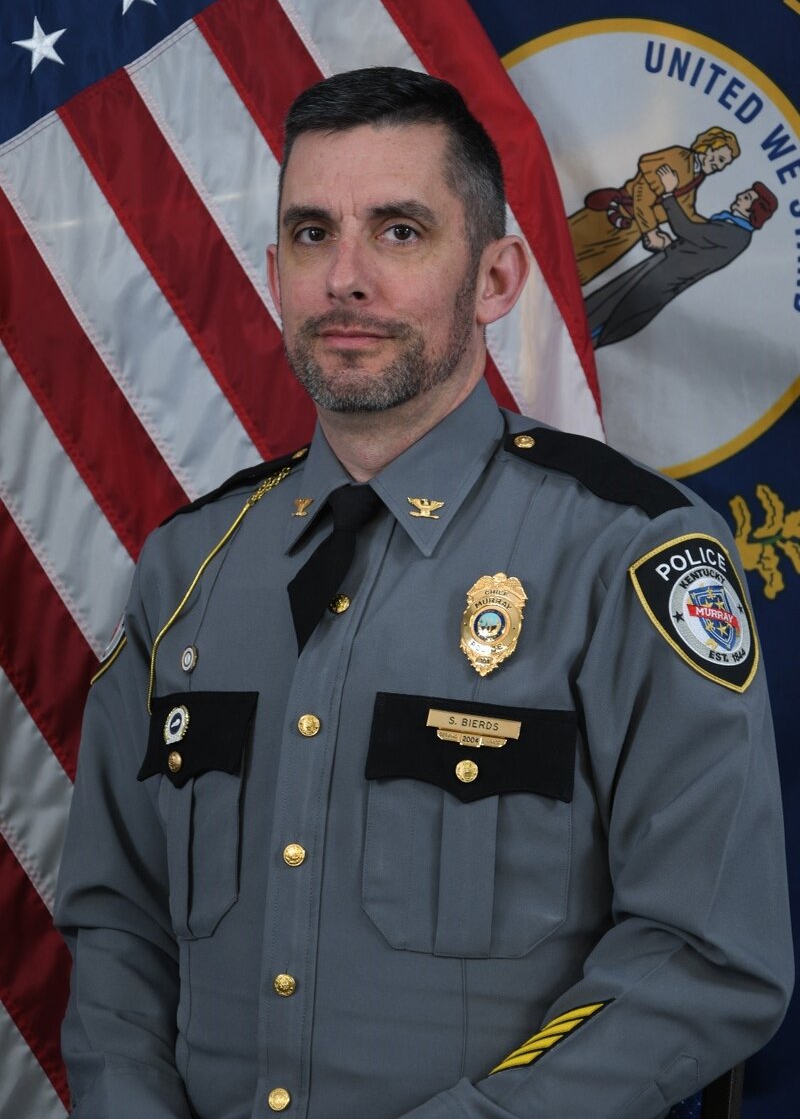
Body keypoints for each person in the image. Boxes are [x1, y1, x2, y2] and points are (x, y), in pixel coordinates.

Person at [55, 67, 792, 1119]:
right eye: (312, 235)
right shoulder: (187, 565)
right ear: (273, 273)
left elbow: (707, 956)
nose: (344, 277)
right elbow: (117, 921)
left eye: (398, 232)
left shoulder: (628, 556)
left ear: (493, 279)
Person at [589, 165, 778, 347]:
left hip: (658, 283)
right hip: (659, 269)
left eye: (746, 197)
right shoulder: (731, 226)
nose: (739, 196)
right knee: (606, 302)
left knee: (611, 316)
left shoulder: (734, 234)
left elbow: (687, 230)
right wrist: (667, 245)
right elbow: (698, 252)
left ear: (753, 209)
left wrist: (669, 193)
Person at [568, 126, 740, 286]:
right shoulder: (677, 157)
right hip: (613, 217)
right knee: (557, 246)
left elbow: (686, 212)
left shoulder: (696, 176)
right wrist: (651, 232)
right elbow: (642, 196)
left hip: (630, 232)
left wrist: (712, 230)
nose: (720, 166)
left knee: (577, 275)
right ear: (708, 147)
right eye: (720, 158)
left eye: (725, 163)